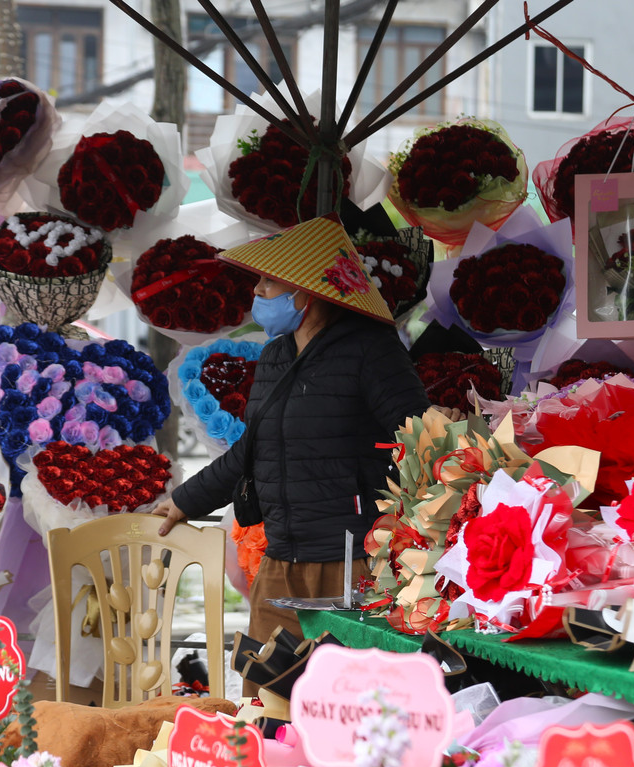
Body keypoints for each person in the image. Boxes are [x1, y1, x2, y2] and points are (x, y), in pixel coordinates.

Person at [154, 216, 430, 691]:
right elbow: (250, 449)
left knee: (343, 697)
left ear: (307, 292)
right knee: (266, 691)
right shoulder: (276, 355)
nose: (257, 291)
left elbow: (422, 436)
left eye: (269, 281)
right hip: (281, 556)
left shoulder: (371, 351)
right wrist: (185, 501)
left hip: (349, 562)